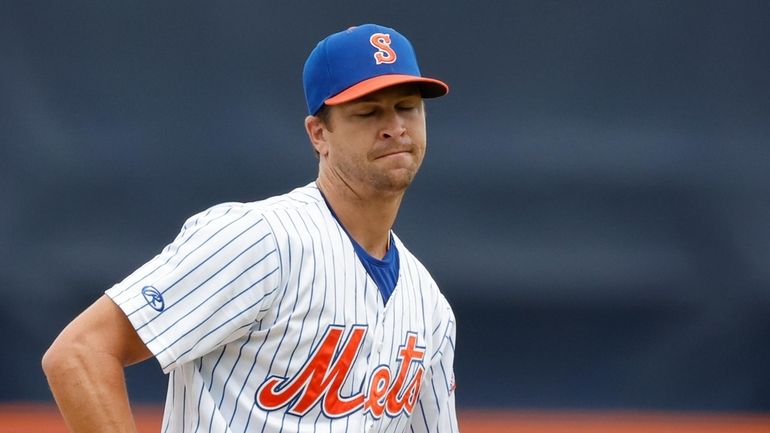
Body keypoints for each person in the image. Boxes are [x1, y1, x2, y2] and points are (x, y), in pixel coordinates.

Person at [42, 23, 458, 433]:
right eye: (367, 112)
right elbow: (80, 353)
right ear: (319, 134)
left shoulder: (430, 307)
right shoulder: (259, 239)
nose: (395, 127)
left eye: (407, 107)